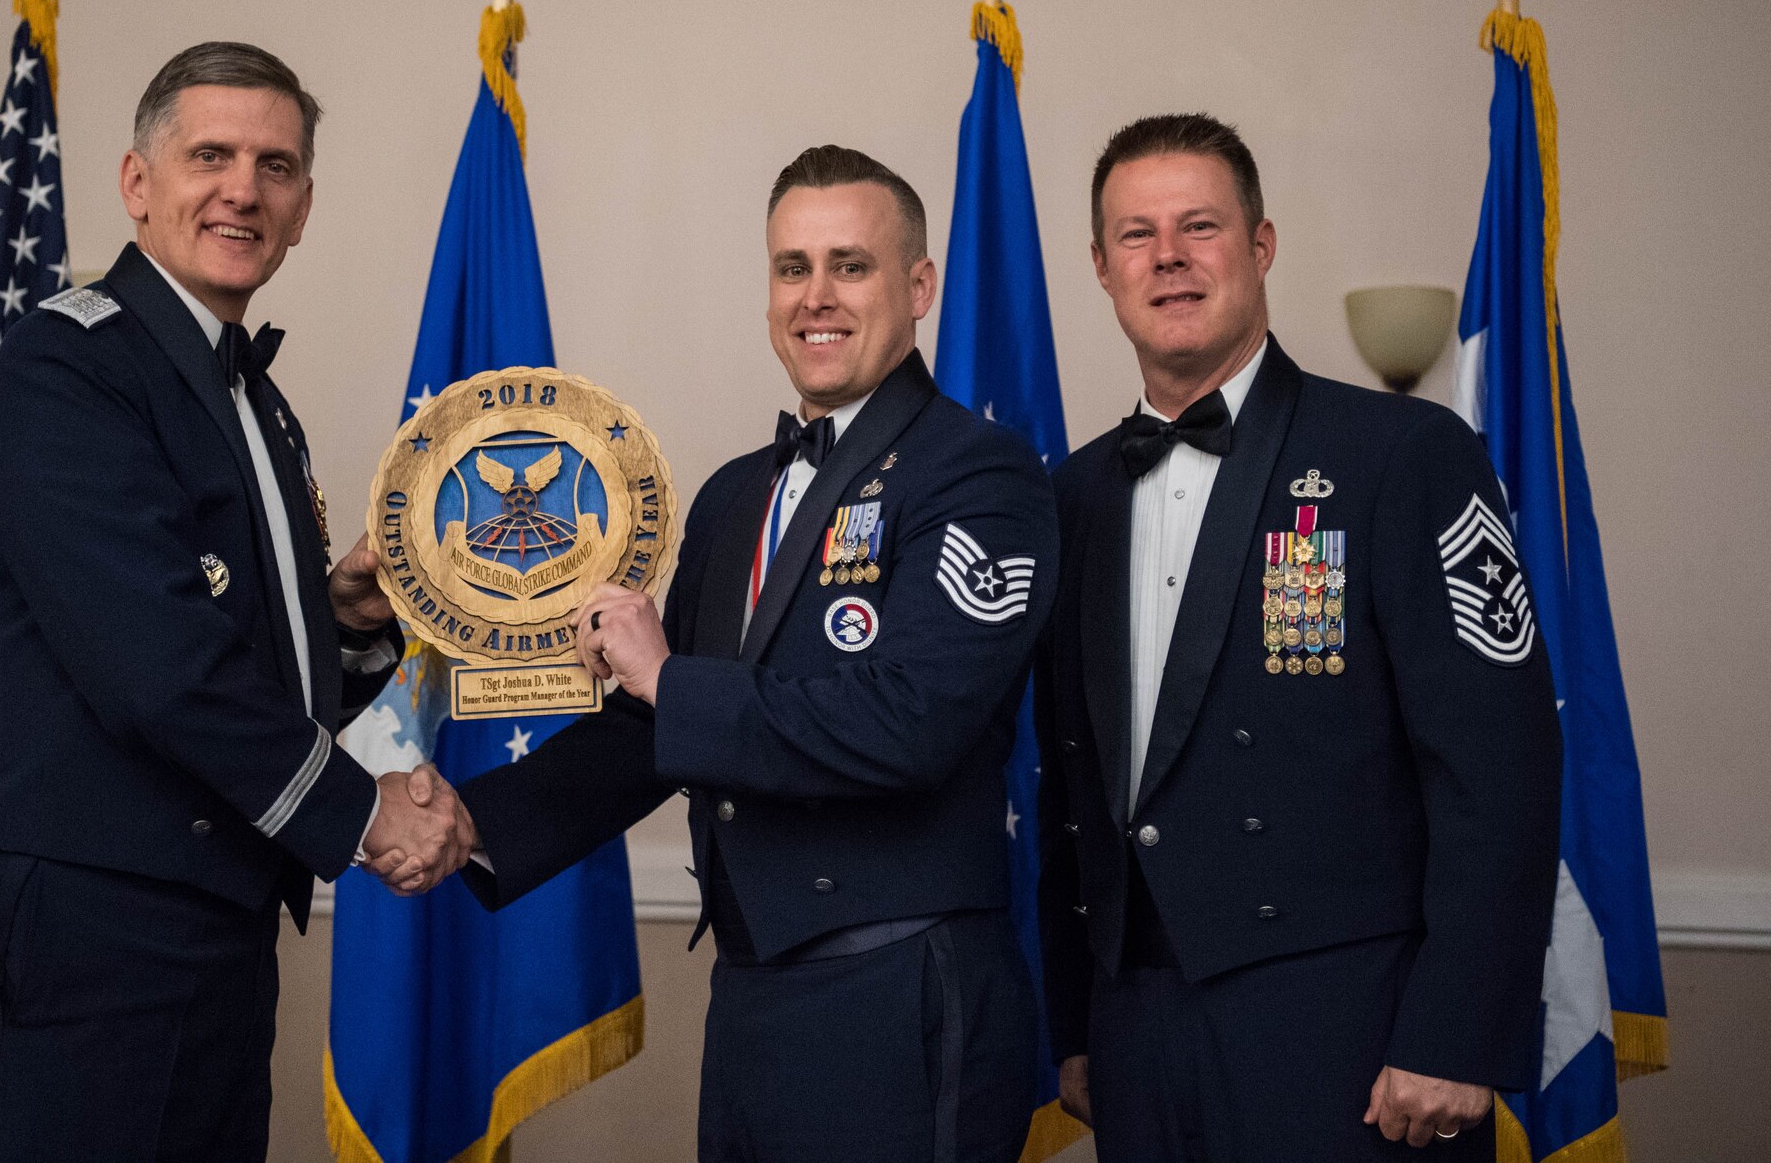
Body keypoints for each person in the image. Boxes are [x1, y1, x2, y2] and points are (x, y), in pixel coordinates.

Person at [0, 42, 474, 1162]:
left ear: (303, 207)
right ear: (136, 183)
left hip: (205, 923)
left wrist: (347, 622)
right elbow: (159, 664)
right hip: (80, 927)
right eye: (208, 155)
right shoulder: (65, 369)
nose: (241, 189)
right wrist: (367, 817)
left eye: (274, 165)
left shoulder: (255, 400)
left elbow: (235, 644)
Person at [444, 145, 1058, 1162]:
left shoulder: (979, 475)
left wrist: (665, 674)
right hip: (751, 992)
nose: (815, 296)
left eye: (849, 265)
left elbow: (910, 722)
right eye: (790, 267)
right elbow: (656, 731)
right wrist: (469, 823)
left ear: (917, 288)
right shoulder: (738, 493)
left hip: (900, 989)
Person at [1034, 113, 1563, 1160]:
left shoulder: (1401, 453)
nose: (1169, 258)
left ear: (1260, 245)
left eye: (1199, 226)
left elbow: (1497, 763)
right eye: (1135, 236)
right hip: (1136, 1023)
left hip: (1353, 1027)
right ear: (1099, 268)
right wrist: (1073, 1022)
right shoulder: (1070, 492)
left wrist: (1454, 1031)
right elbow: (1068, 780)